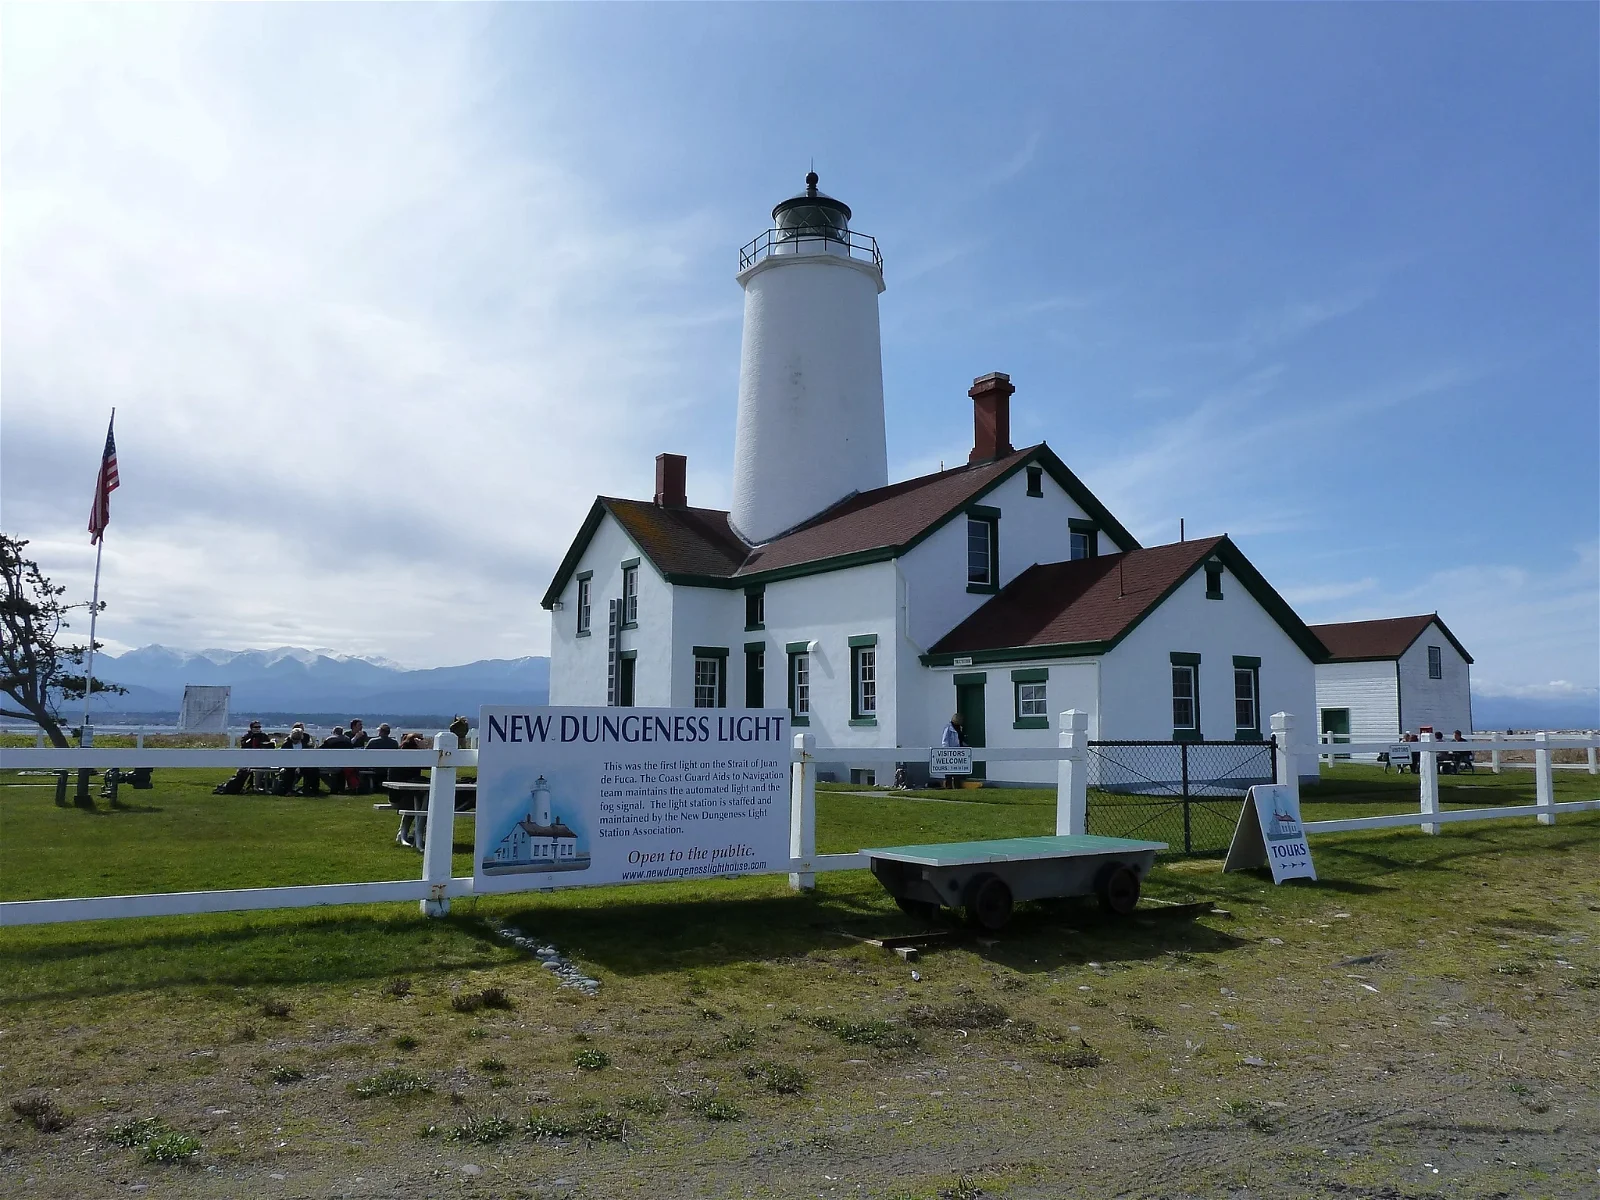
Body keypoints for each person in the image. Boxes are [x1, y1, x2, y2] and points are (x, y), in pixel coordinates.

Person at [391, 732, 427, 847]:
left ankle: (405, 832)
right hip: (400, 796)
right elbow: (431, 763)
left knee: (424, 798)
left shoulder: (401, 753)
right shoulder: (410, 756)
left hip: (404, 794)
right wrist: (424, 749)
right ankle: (416, 833)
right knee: (426, 801)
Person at [216, 721, 272, 794]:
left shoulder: (264, 736)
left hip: (261, 759)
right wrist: (252, 738)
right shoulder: (247, 736)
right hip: (248, 759)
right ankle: (241, 785)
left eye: (259, 727)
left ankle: (259, 786)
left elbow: (269, 746)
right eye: (256, 727)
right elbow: (244, 745)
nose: (258, 729)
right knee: (243, 770)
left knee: (263, 768)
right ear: (251, 728)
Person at [366, 722, 399, 796]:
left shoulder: (373, 742)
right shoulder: (394, 743)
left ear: (381, 731)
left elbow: (365, 754)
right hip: (389, 767)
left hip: (375, 767)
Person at [320, 725, 354, 793]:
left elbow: (321, 750)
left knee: (319, 771)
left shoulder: (330, 740)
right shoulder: (348, 739)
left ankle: (333, 786)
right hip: (345, 764)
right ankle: (340, 788)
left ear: (334, 732)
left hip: (332, 764)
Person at [940, 713, 965, 789]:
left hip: (958, 752)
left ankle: (957, 785)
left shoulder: (959, 728)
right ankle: (949, 786)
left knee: (957, 770)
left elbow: (960, 740)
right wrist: (947, 751)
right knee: (949, 770)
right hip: (950, 752)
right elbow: (945, 741)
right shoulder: (948, 728)